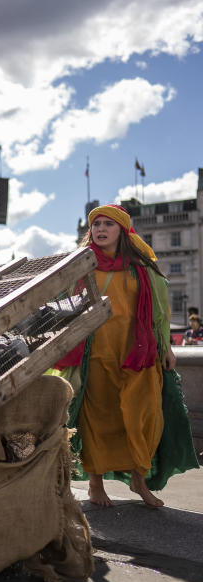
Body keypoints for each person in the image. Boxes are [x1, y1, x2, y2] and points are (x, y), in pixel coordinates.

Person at [52, 204, 198, 508]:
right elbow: (57, 302)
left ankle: (138, 479)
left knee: (144, 415)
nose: (100, 229)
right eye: (96, 224)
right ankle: (95, 485)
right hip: (96, 354)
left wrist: (166, 347)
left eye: (109, 224)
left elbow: (159, 313)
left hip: (137, 354)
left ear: (123, 231)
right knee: (98, 419)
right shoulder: (80, 265)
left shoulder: (142, 268)